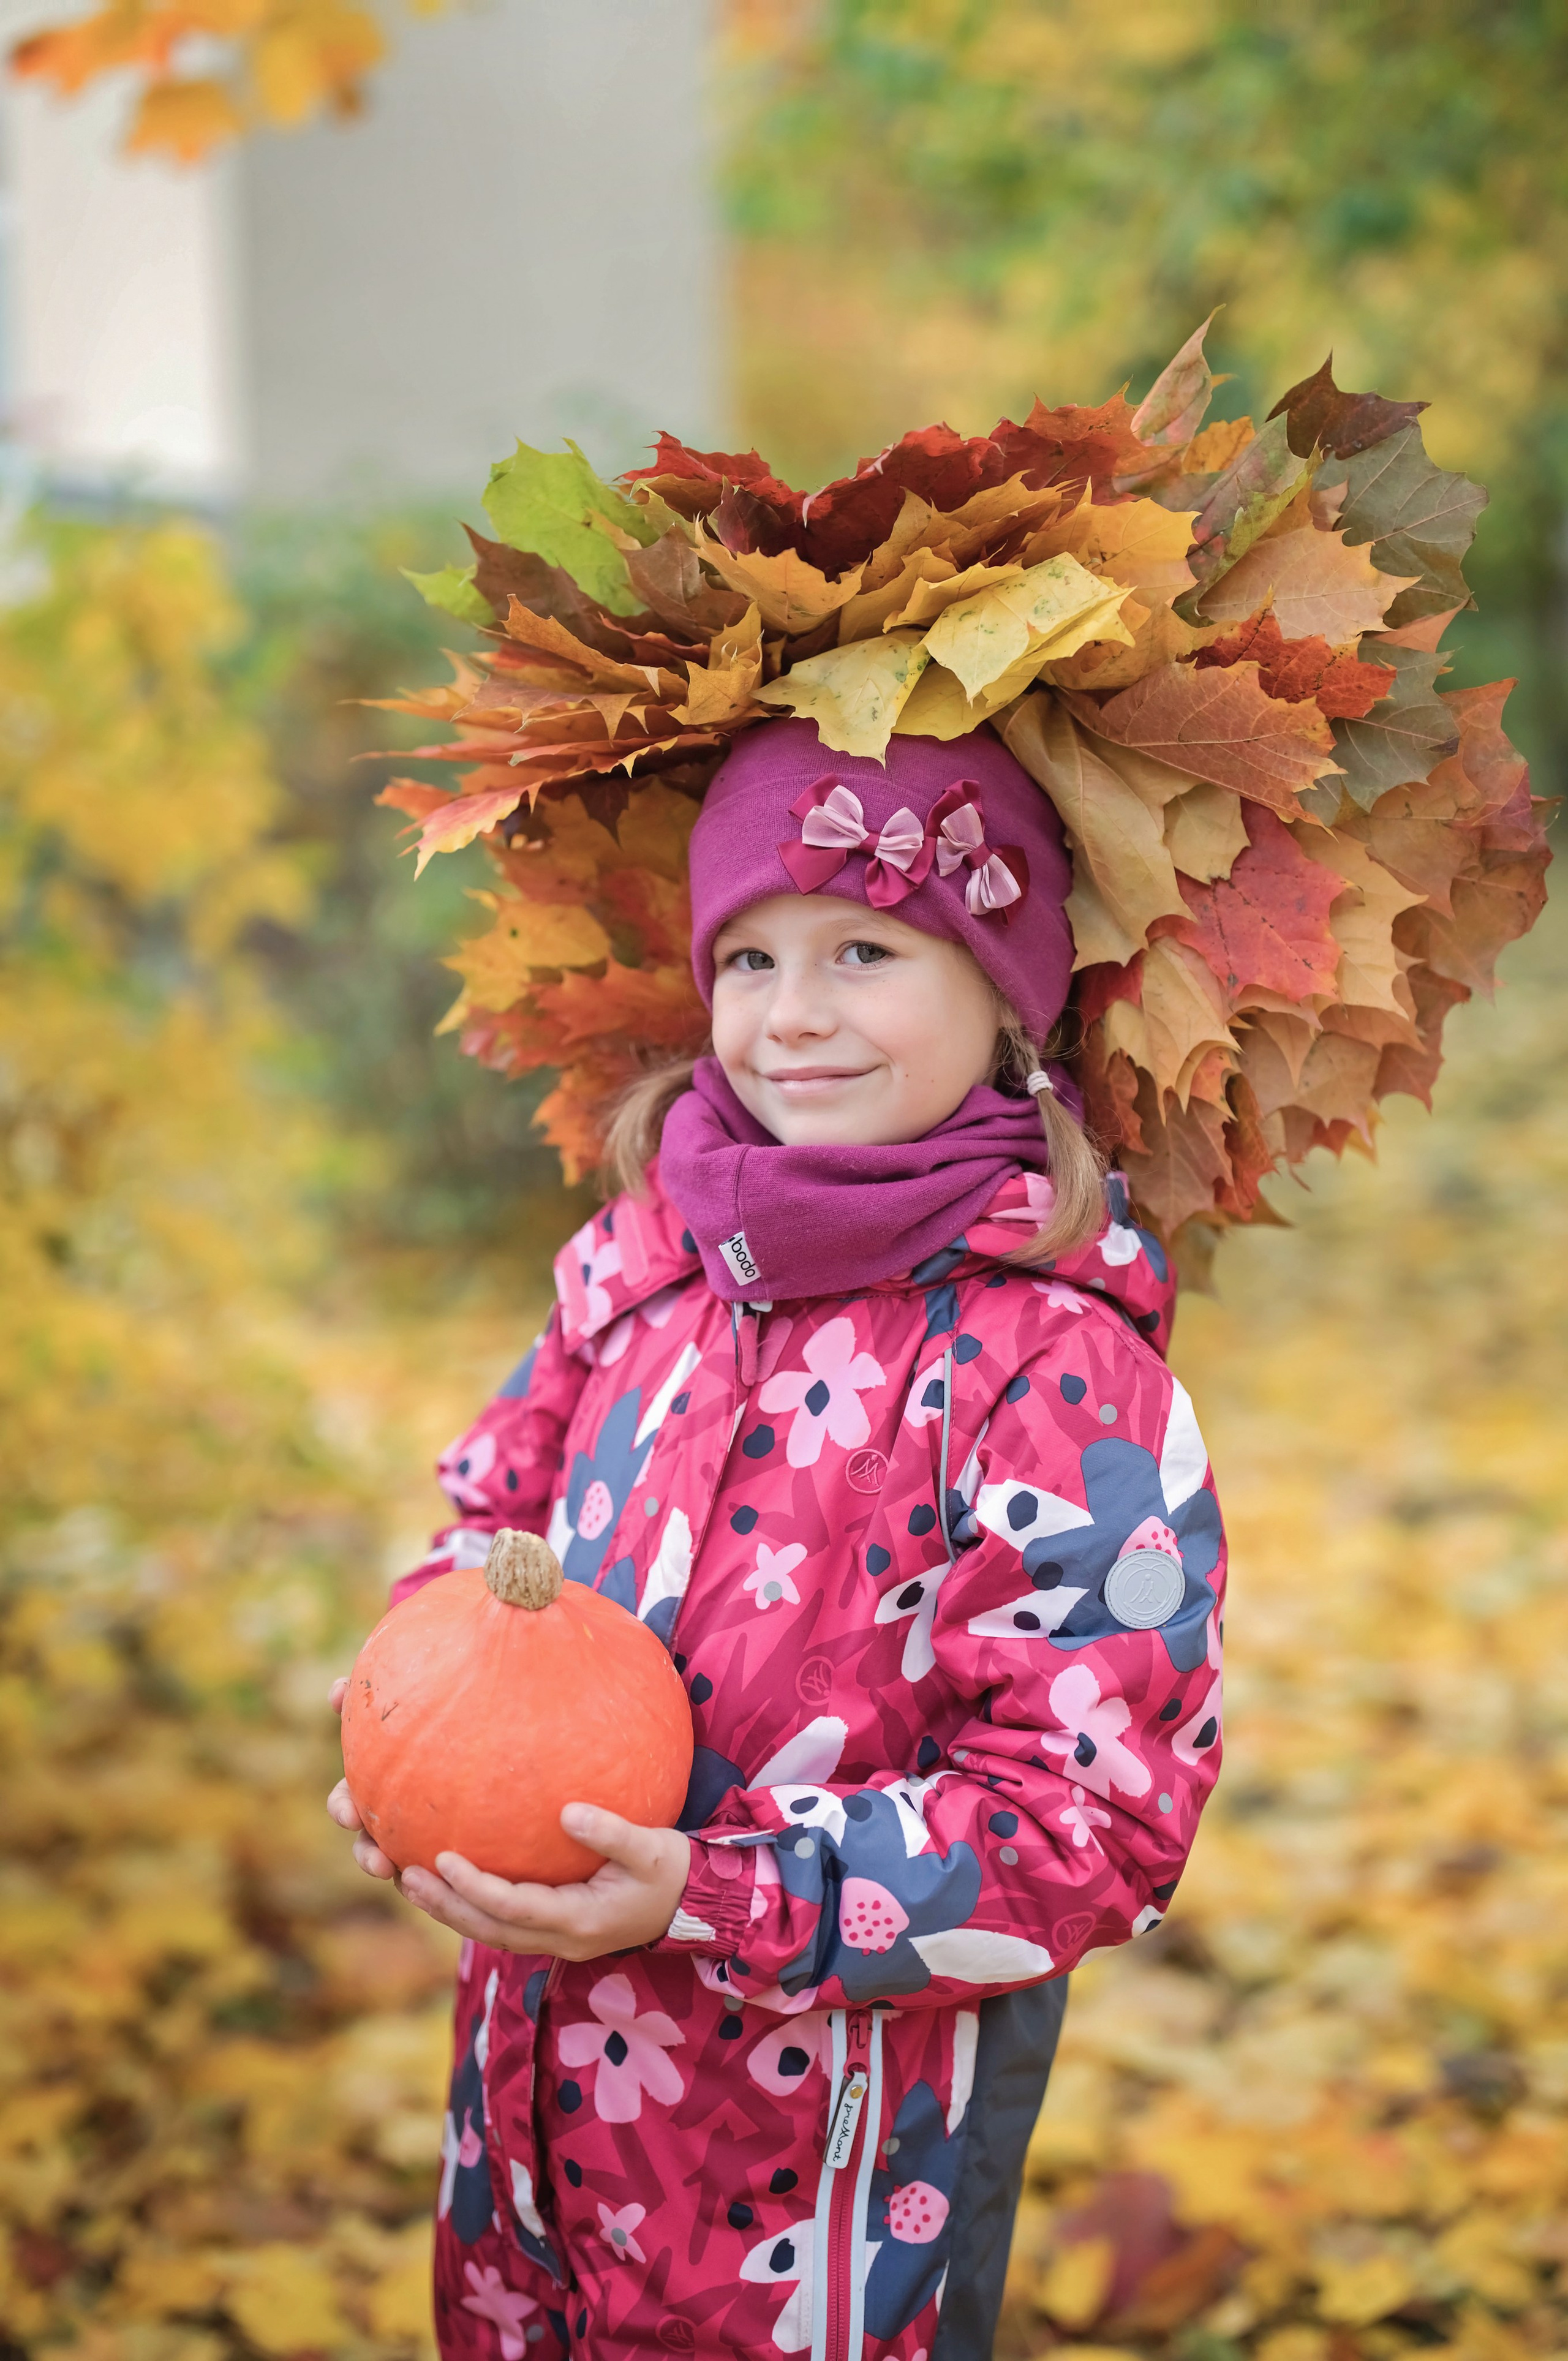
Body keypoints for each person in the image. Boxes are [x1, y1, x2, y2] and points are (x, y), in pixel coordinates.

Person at [328, 715, 1227, 2361]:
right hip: (523, 2144)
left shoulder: (1052, 1368)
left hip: (825, 2209)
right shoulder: (641, 1271)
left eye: (865, 949)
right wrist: (414, 1729)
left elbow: (1092, 1821)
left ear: (1007, 994)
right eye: (748, 957)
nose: (791, 1014)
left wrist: (712, 1890)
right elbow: (489, 1527)